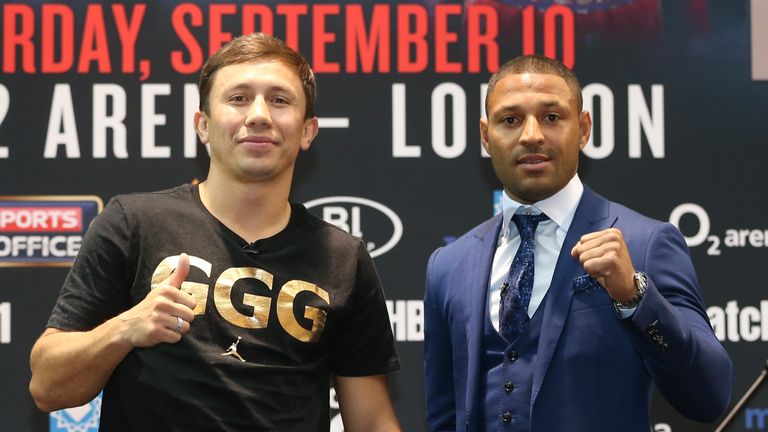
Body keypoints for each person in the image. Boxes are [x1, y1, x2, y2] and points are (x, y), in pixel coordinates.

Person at [29, 32, 401, 432]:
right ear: (203, 125)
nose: (259, 114)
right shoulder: (132, 223)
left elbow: (371, 420)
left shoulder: (342, 256)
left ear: (308, 131)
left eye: (279, 100)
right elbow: (48, 387)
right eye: (238, 98)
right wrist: (126, 328)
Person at [423, 55, 732, 431]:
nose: (532, 135)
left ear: (583, 128)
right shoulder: (448, 266)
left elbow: (709, 394)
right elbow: (442, 417)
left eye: (552, 117)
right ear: (486, 136)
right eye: (510, 120)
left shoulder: (646, 242)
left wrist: (635, 297)